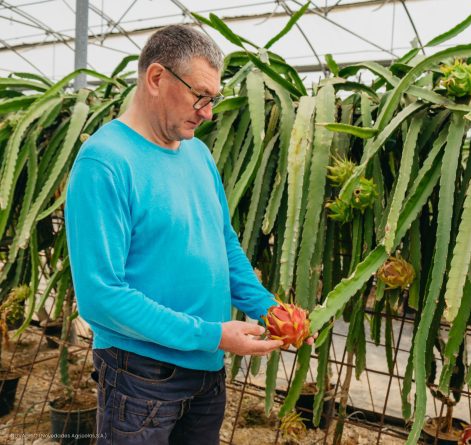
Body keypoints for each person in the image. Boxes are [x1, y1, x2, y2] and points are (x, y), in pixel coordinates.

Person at [65, 25, 310, 444]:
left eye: (213, 99)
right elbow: (101, 296)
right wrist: (214, 334)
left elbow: (223, 243)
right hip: (140, 377)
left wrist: (269, 309)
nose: (208, 112)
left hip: (207, 373)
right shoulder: (104, 163)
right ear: (156, 78)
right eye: (200, 96)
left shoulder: (197, 152)